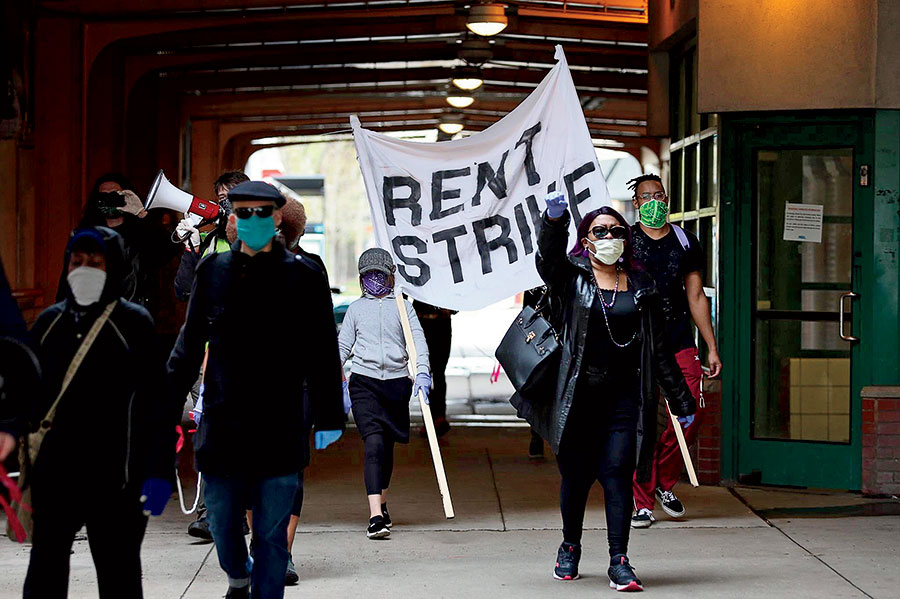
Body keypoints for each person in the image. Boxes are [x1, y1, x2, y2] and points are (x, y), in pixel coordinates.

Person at [167, 181, 345, 599]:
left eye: (260, 213)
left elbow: (322, 349)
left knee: (270, 538)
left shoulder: (304, 275)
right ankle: (237, 575)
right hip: (225, 423)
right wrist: (165, 405)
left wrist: (330, 416)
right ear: (232, 220)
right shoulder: (212, 273)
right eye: (242, 213)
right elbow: (190, 344)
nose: (251, 221)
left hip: (280, 425)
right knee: (225, 523)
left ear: (277, 217)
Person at [510, 192, 696, 592]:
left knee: (617, 475)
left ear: (626, 238)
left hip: (624, 399)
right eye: (600, 231)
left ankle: (619, 559)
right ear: (587, 238)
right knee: (576, 478)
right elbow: (549, 261)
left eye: (616, 231)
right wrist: (553, 221)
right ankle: (570, 545)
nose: (609, 236)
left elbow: (659, 349)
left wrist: (681, 400)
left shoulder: (642, 285)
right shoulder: (572, 278)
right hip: (578, 397)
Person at [8, 227, 175, 598]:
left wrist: (159, 473)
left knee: (119, 575)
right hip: (56, 475)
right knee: (44, 572)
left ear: (112, 267)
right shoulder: (50, 323)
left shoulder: (133, 324)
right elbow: (27, 396)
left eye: (95, 263)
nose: (84, 270)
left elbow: (156, 406)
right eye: (76, 262)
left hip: (118, 478)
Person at [626, 174, 723, 528]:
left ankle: (664, 482)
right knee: (642, 422)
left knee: (691, 413)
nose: (654, 201)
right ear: (636, 203)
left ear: (667, 200)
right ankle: (641, 501)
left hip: (679, 342)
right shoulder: (626, 241)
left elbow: (696, 296)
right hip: (636, 345)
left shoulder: (685, 241)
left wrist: (711, 346)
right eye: (646, 196)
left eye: (660, 195)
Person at [338, 248, 431, 540]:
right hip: (364, 384)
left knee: (387, 448)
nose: (375, 280)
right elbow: (341, 347)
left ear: (391, 275)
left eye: (380, 274)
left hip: (395, 385)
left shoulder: (403, 307)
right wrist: (332, 379)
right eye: (369, 275)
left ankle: (383, 502)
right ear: (362, 278)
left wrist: (424, 371)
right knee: (374, 443)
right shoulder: (355, 309)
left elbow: (417, 340)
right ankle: (375, 516)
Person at [174, 170, 249, 302]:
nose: (228, 202)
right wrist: (192, 248)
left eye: (235, 194)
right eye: (222, 197)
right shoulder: (207, 241)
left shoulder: (263, 240)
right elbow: (184, 292)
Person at [413, 301, 454, 438]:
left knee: (439, 372)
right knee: (426, 373)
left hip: (442, 323)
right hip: (422, 323)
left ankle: (439, 416)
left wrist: (451, 308)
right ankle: (430, 418)